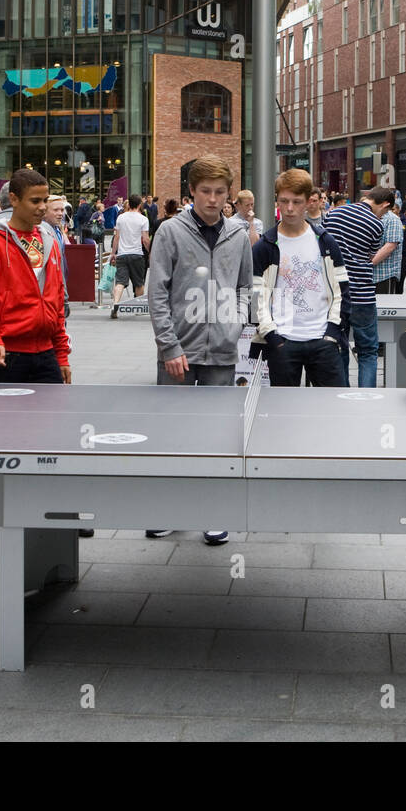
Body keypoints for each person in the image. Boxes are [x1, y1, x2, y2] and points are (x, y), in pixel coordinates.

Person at [145, 155, 252, 545]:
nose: (211, 198)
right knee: (172, 433)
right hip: (178, 350)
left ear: (228, 194)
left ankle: (213, 512)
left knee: (217, 435)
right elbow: (156, 292)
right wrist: (168, 345)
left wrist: (235, 323)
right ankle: (168, 509)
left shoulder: (238, 235)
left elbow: (244, 287)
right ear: (191, 191)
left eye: (219, 192)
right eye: (204, 191)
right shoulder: (170, 232)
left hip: (222, 349)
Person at [0, 169, 71, 543]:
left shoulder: (51, 241)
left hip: (45, 361)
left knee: (52, 444)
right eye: (35, 201)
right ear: (14, 200)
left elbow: (55, 303)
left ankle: (51, 520)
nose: (43, 208)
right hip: (4, 361)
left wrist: (62, 353)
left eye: (46, 201)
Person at [250, 168, 349, 387]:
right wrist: (272, 336)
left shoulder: (325, 241)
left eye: (296, 201)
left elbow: (342, 290)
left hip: (323, 339)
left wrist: (332, 331)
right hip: (283, 341)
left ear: (308, 202)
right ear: (277, 201)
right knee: (284, 415)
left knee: (333, 410)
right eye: (284, 201)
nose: (289, 208)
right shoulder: (265, 246)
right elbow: (255, 297)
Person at [324, 186, 391, 387]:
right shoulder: (376, 224)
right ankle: (366, 398)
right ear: (385, 204)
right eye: (386, 211)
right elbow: (370, 257)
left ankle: (343, 394)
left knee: (339, 347)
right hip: (363, 295)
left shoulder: (333, 213)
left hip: (336, 294)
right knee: (368, 351)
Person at [110, 192, 151, 314]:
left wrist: (113, 253)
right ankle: (138, 308)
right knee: (139, 283)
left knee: (120, 282)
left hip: (122, 254)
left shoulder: (121, 217)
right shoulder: (143, 219)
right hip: (137, 254)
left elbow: (116, 237)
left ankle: (115, 303)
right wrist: (151, 252)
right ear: (139, 205)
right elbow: (145, 239)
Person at [373, 200, 404, 295]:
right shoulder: (370, 217)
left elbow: (390, 247)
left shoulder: (392, 219)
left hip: (384, 275)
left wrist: (367, 264)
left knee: (383, 307)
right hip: (367, 276)